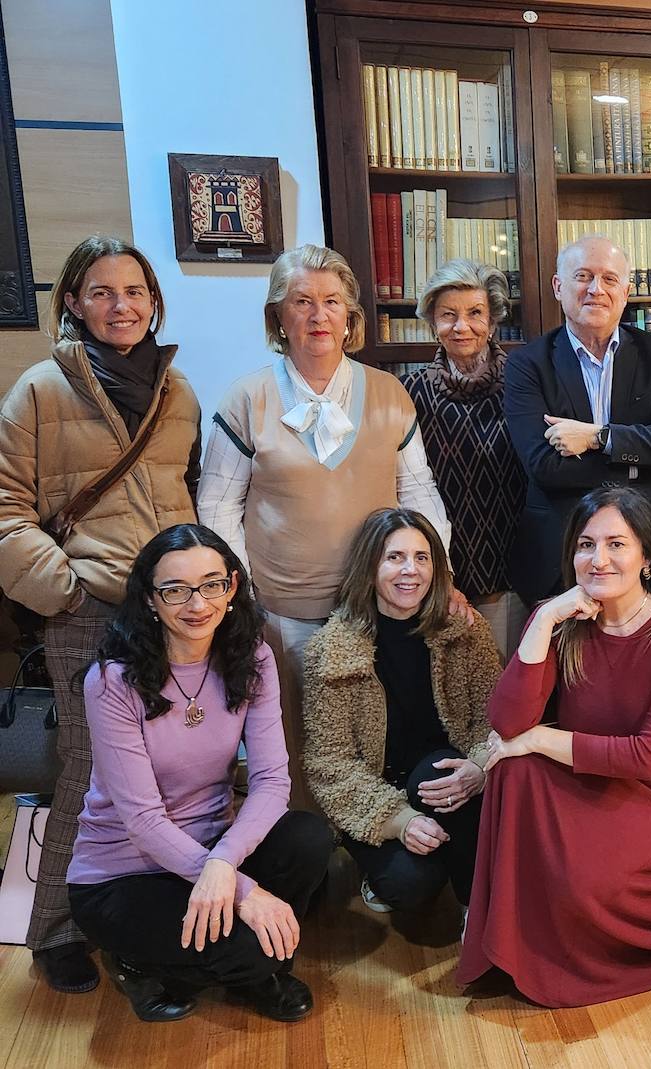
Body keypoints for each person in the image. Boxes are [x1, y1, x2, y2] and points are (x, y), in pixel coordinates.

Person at [456, 486, 651, 1007]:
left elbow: (648, 756)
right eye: (586, 545)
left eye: (617, 544)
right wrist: (544, 620)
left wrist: (541, 738)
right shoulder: (562, 621)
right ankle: (510, 945)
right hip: (605, 775)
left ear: (645, 557)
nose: (600, 559)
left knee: (584, 879)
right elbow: (505, 721)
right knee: (511, 771)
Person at [0, 236, 200, 994]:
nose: (122, 307)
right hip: (87, 608)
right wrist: (68, 590)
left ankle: (139, 912)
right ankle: (55, 927)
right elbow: (6, 510)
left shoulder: (177, 391)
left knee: (173, 767)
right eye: (103, 292)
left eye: (136, 291)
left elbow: (186, 492)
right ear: (74, 304)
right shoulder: (40, 390)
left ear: (154, 303)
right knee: (88, 771)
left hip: (173, 612)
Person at [198, 244, 455, 806]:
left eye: (332, 302)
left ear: (350, 318)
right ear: (278, 317)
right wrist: (241, 599)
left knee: (378, 738)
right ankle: (306, 860)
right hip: (284, 616)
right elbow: (217, 508)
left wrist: (441, 574)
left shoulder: (389, 394)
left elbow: (419, 494)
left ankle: (381, 847)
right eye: (301, 302)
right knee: (291, 746)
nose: (318, 316)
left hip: (379, 612)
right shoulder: (248, 399)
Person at [66, 524, 333, 1023]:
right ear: (149, 598)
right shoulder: (112, 681)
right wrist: (246, 892)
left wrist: (224, 863)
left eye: (213, 584)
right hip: (125, 873)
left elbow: (274, 780)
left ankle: (242, 966)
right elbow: (143, 821)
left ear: (232, 587)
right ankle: (138, 961)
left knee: (309, 836)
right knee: (258, 950)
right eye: (176, 589)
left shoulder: (252, 657)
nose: (198, 604)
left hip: (212, 852)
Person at [302, 508, 501, 921]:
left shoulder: (465, 631)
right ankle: (429, 862)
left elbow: (494, 717)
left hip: (452, 780)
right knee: (409, 885)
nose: (410, 570)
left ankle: (479, 919)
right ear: (370, 566)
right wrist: (399, 820)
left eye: (422, 557)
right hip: (380, 793)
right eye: (394, 557)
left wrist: (480, 766)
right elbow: (329, 763)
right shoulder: (334, 649)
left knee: (441, 774)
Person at [502, 234, 651, 606]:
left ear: (625, 291)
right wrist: (641, 465)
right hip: (560, 558)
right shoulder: (527, 365)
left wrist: (597, 437)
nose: (596, 289)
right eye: (583, 276)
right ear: (559, 287)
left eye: (609, 279)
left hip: (650, 555)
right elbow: (543, 466)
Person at [401, 259, 527, 659]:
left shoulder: (524, 384)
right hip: (437, 577)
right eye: (448, 316)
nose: (462, 327)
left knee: (509, 698)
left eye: (475, 314)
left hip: (514, 577)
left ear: (492, 322)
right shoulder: (408, 392)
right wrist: (438, 575)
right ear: (432, 323)